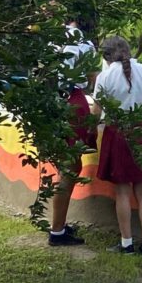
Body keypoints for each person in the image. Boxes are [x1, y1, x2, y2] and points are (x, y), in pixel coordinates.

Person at [91, 36, 142, 256]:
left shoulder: (104, 77)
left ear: (106, 55)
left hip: (117, 134)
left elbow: (95, 113)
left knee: (122, 192)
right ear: (127, 50)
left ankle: (126, 244)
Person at [47, 19, 98, 247]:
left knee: (66, 165)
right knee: (70, 166)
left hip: (52, 101)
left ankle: (59, 225)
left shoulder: (49, 40)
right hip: (73, 100)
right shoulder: (81, 40)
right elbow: (92, 76)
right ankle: (57, 231)